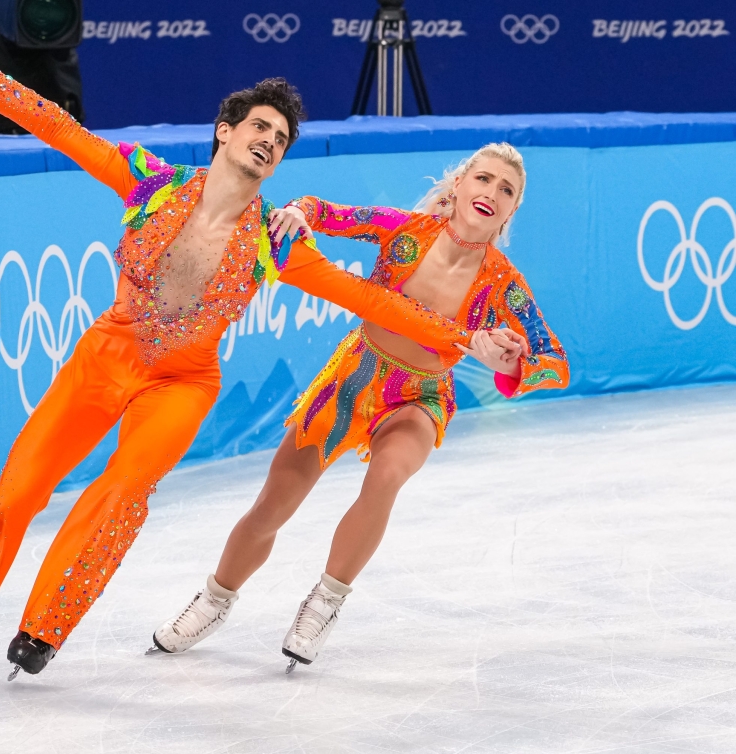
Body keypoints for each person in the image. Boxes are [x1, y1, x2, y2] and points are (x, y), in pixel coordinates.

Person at [0, 13, 473, 679]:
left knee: (124, 490)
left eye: (280, 140)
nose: (269, 143)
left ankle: (47, 625)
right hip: (107, 355)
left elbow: (368, 299)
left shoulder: (277, 242)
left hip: (183, 383)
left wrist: (462, 335)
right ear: (225, 132)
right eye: (260, 128)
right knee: (16, 491)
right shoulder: (151, 182)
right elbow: (65, 131)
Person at [152, 143, 569, 672]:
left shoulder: (504, 285)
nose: (491, 193)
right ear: (460, 184)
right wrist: (300, 213)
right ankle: (214, 600)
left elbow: (553, 362)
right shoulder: (405, 230)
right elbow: (325, 211)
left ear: (512, 211)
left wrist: (504, 362)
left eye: (506, 190)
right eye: (484, 180)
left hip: (420, 397)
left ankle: (324, 603)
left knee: (388, 475)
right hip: (352, 379)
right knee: (273, 505)